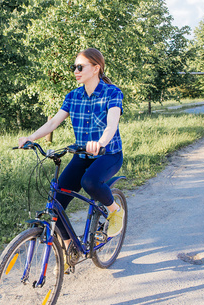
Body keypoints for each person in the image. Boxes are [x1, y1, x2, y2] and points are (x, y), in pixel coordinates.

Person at [18, 48, 124, 253]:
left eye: (80, 67)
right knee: (56, 202)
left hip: (108, 153)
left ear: (96, 68)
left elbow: (111, 125)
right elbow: (53, 123)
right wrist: (31, 137)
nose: (75, 70)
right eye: (73, 67)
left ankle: (114, 211)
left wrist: (100, 143)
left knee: (90, 182)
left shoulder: (112, 93)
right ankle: (70, 249)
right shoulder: (73, 96)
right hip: (82, 155)